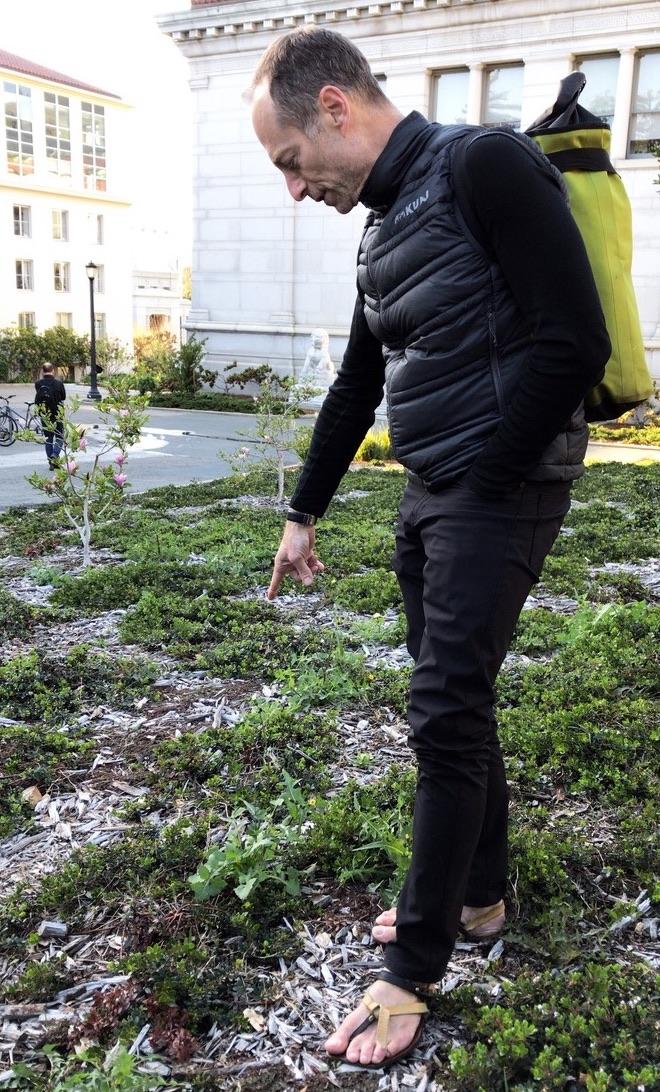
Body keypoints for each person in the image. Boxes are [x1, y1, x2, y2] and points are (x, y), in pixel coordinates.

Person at [250, 27, 611, 1070]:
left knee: (445, 707)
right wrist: (303, 510)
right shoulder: (384, 228)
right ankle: (481, 896)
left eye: (288, 162)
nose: (293, 187)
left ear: (331, 108)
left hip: (497, 491)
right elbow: (356, 386)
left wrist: (487, 476)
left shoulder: (486, 163)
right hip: (433, 494)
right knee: (455, 699)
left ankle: (415, 962)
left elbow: (572, 339)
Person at [35, 361, 66, 469]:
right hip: (57, 414)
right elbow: (63, 397)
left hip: (45, 414)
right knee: (59, 437)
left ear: (43, 371)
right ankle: (55, 455)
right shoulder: (59, 383)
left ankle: (51, 462)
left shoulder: (38, 384)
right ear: (53, 370)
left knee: (49, 438)